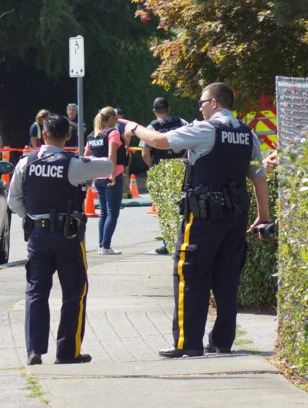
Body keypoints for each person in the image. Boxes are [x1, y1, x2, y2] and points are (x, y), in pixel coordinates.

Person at [123, 83, 270, 358]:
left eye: (202, 102)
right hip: (235, 218)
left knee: (190, 275)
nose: (199, 107)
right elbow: (258, 177)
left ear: (214, 103)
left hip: (203, 217)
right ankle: (222, 341)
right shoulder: (248, 135)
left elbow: (159, 142)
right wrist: (263, 216)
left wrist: (133, 128)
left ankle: (187, 343)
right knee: (227, 278)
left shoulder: (206, 130)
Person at [7, 113, 113, 365]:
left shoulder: (26, 162)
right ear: (68, 136)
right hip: (68, 237)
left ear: (43, 135)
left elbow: (13, 201)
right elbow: (108, 165)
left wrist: (32, 217)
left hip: (38, 236)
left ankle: (34, 350)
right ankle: (67, 352)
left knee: (35, 292)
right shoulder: (73, 164)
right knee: (74, 293)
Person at [140, 97, 189, 254]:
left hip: (161, 171)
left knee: (164, 208)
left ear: (154, 111)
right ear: (169, 108)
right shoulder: (181, 122)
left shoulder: (151, 128)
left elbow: (145, 153)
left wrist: (153, 168)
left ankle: (168, 242)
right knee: (183, 205)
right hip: (181, 169)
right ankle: (184, 239)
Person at [85, 107, 125, 255]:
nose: (117, 121)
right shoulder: (113, 133)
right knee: (112, 213)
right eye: (115, 119)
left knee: (103, 213)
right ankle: (106, 247)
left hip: (98, 177)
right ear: (110, 119)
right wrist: (112, 175)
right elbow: (111, 154)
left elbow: (86, 154)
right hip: (111, 176)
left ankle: (101, 246)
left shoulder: (93, 134)